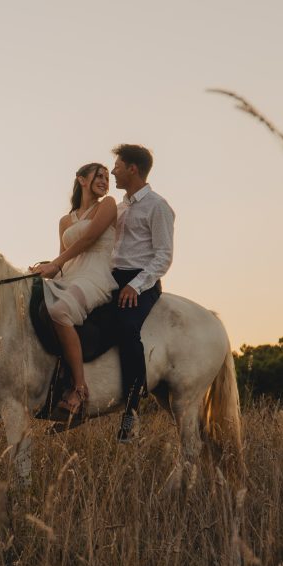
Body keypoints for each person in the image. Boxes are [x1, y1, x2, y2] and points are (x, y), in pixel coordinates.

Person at [31, 163, 118, 416]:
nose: (104, 180)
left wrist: (56, 264)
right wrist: (45, 269)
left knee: (59, 310)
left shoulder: (108, 205)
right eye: (98, 176)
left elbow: (89, 239)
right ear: (81, 179)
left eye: (106, 177)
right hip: (69, 276)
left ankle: (79, 388)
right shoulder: (65, 220)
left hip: (95, 277)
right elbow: (63, 260)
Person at [110, 143, 175, 443]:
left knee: (126, 328)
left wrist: (135, 286)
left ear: (132, 168)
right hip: (111, 278)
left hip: (141, 282)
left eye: (118, 166)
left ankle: (131, 413)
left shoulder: (158, 206)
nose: (113, 171)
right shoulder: (119, 207)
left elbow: (163, 255)